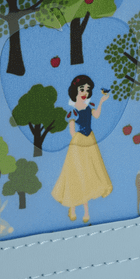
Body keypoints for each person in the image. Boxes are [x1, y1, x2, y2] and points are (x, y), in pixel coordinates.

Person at [51, 75, 113, 224]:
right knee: (76, 175)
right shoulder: (72, 111)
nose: (85, 92)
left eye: (87, 89)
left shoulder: (89, 106)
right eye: (82, 89)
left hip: (90, 141)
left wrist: (101, 101)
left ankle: (86, 211)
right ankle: (72, 208)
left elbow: (96, 115)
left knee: (88, 174)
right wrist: (78, 142)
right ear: (75, 91)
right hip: (78, 144)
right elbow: (72, 131)